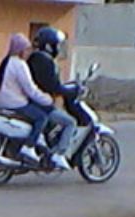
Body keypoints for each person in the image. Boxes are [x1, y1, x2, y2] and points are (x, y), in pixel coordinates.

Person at [0, 33, 53, 164]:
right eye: (27, 49)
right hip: (16, 104)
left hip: (2, 102)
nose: (28, 52)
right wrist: (47, 100)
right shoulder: (20, 65)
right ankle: (29, 147)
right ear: (20, 50)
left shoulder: (6, 61)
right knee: (42, 117)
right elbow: (31, 90)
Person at [28, 27, 78, 170]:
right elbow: (53, 87)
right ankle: (59, 154)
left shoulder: (34, 58)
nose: (58, 48)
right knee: (70, 122)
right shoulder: (46, 61)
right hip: (41, 104)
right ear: (50, 45)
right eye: (56, 45)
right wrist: (70, 91)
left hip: (33, 101)